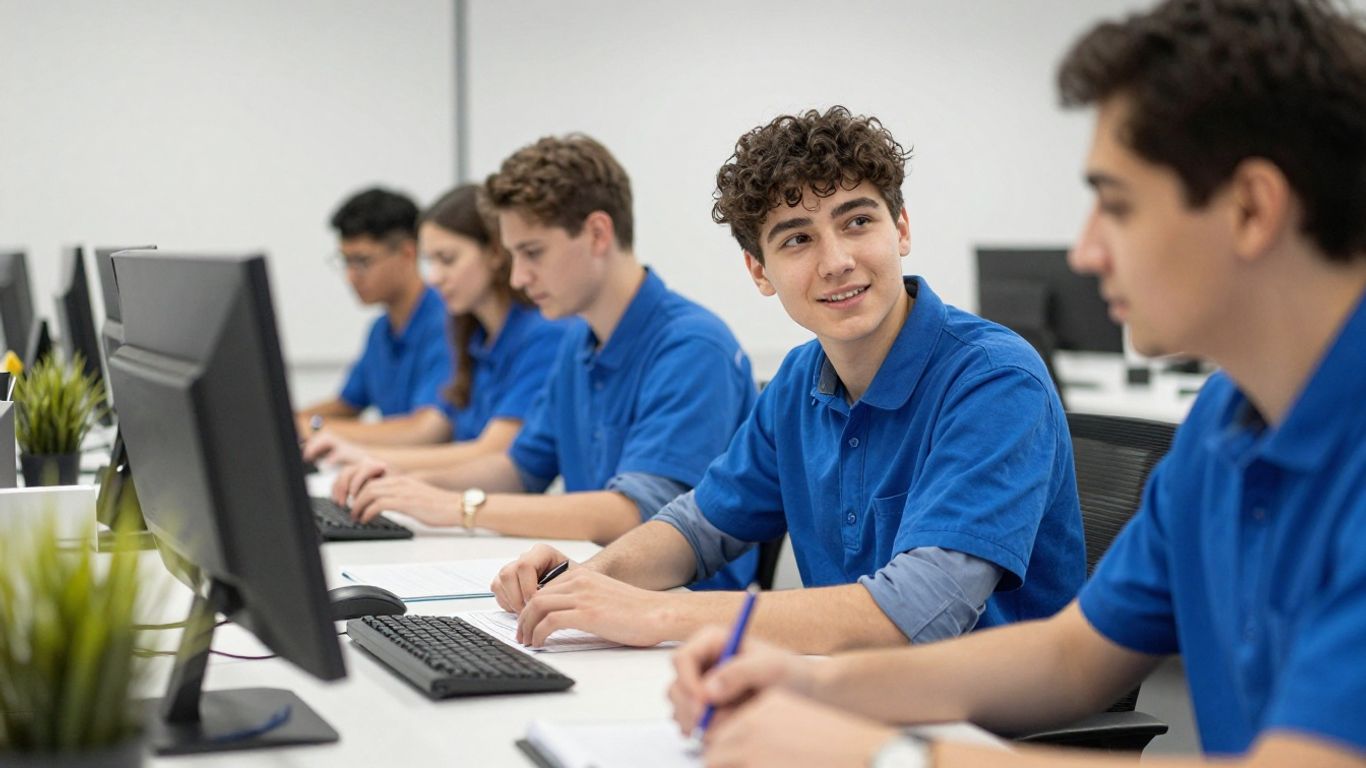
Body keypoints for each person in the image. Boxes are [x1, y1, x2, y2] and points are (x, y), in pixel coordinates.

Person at [667, 1, 1366, 765]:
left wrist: (880, 755)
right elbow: (1073, 655)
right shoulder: (1225, 422)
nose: (1088, 250)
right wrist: (810, 690)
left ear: (1251, 209)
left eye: (1118, 204)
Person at [490, 106, 1084, 655]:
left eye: (857, 222)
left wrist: (659, 616)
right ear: (760, 270)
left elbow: (920, 609)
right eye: (797, 238)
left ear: (900, 229)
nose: (835, 261)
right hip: (843, 691)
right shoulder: (801, 378)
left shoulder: (994, 380)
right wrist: (582, 582)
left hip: (983, 727)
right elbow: (702, 526)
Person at [333, 135, 759, 590]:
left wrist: (459, 507)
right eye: (512, 255)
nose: (517, 277)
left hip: (679, 619)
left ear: (597, 234)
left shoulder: (692, 347)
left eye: (532, 253)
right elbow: (518, 467)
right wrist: (406, 481)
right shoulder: (579, 342)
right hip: (595, 594)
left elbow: (632, 513)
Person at [304, 184, 569, 470]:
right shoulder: (474, 336)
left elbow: (493, 456)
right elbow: (347, 404)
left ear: (495, 252)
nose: (435, 277)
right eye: (430, 261)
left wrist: (368, 458)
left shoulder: (542, 334)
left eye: (447, 259)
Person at [296, 187, 452, 446]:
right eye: (345, 261)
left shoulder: (449, 322)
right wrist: (291, 419)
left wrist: (312, 427)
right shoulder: (381, 330)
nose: (351, 276)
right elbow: (347, 404)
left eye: (362, 261)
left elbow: (423, 430)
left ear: (407, 253)